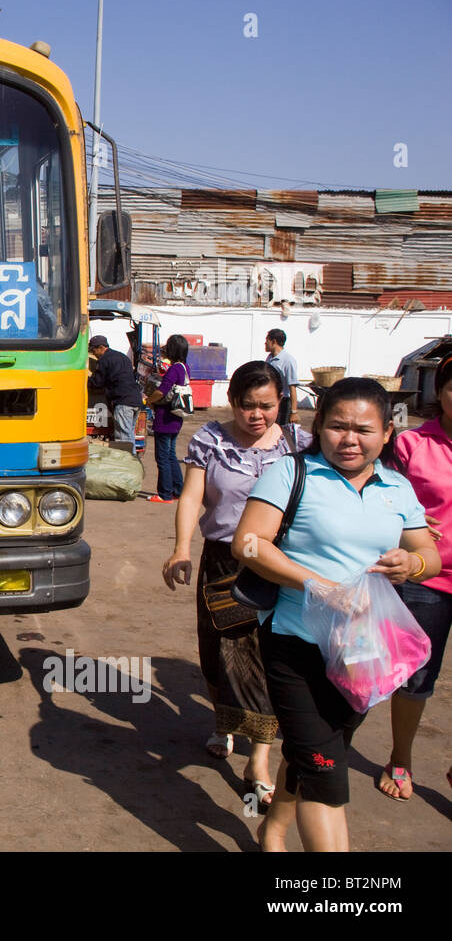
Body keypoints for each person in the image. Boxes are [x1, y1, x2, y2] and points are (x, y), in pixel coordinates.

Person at [233, 378, 440, 851]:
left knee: (316, 752)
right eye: (337, 426)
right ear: (318, 426)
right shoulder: (291, 473)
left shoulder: (397, 488)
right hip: (295, 643)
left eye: (364, 429)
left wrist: (414, 563)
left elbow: (428, 553)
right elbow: (248, 542)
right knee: (327, 776)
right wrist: (318, 585)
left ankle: (272, 831)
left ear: (388, 433)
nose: (350, 439)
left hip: (364, 650)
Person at [162, 361, 312, 809]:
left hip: (276, 563)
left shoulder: (297, 445)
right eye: (247, 405)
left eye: (267, 405)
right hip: (222, 562)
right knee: (218, 654)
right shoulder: (211, 440)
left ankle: (259, 762)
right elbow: (191, 497)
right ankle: (224, 722)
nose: (257, 415)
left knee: (265, 657)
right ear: (234, 402)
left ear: (282, 402)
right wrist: (181, 548)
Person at [379, 354, 452, 800]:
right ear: (439, 391)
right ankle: (401, 757)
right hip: (426, 578)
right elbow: (383, 500)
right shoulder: (412, 445)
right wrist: (408, 528)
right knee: (416, 675)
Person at [144, 334, 189, 502]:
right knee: (170, 454)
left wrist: (148, 401)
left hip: (165, 417)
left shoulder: (174, 369)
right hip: (176, 417)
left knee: (162, 457)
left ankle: (164, 493)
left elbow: (161, 391)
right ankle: (177, 490)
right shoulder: (184, 368)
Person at [88, 334, 143, 444]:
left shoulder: (104, 360)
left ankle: (126, 460)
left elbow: (97, 383)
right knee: (129, 436)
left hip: (123, 403)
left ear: (101, 347)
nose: (93, 353)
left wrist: (83, 380)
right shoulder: (123, 357)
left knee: (122, 439)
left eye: (94, 350)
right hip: (136, 400)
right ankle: (131, 459)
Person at [264, 329, 300, 426]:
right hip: (272, 399)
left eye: (267, 340)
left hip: (284, 403)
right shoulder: (269, 358)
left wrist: (294, 412)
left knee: (281, 431)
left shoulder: (288, 361)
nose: (265, 343)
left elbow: (292, 388)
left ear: (274, 341)